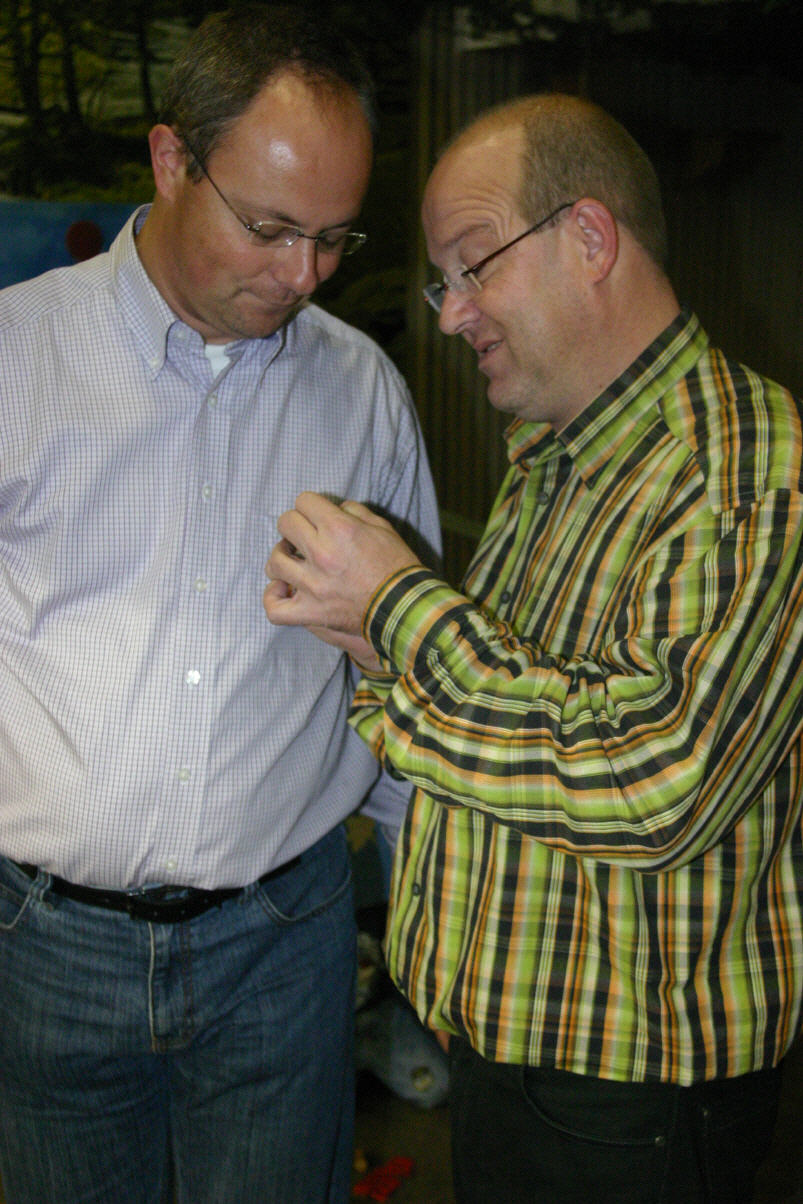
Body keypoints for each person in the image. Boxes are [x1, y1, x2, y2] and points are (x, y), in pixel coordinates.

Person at [264, 93, 803, 1203]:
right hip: (514, 1063)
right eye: (441, 282)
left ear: (589, 237)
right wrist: (373, 647)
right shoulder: (555, 455)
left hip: (627, 1106)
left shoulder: (743, 467)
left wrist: (401, 607)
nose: (451, 314)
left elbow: (656, 781)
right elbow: (507, 721)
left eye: (472, 265)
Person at [0, 8, 439, 1204]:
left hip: (284, 946)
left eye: (333, 238)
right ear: (170, 160)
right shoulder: (18, 360)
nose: (302, 275)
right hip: (46, 948)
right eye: (269, 227)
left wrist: (419, 911)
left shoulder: (361, 392)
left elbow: (402, 674)